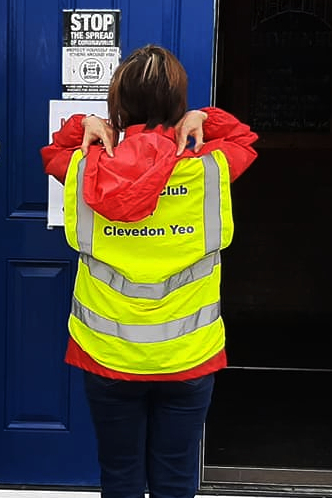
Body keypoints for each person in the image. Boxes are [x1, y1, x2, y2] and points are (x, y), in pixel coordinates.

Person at [41, 44, 258, 498]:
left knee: (119, 475)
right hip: (188, 359)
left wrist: (87, 125)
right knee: (175, 477)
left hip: (107, 358)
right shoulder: (209, 167)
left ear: (117, 106)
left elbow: (54, 150)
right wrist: (203, 118)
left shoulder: (86, 169)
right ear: (178, 106)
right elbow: (244, 139)